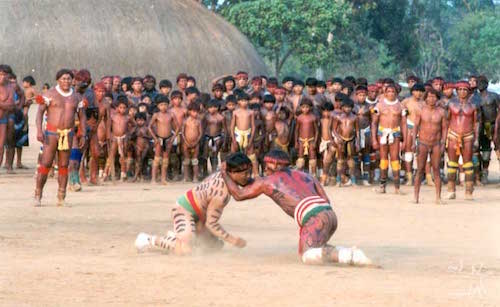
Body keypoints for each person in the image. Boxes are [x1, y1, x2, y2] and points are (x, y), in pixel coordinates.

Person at [221, 150, 372, 266]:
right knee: (316, 249)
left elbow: (239, 195)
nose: (265, 170)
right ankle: (346, 253)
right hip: (330, 214)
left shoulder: (267, 181)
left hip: (314, 217)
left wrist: (224, 173)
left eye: (267, 167)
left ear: (275, 166)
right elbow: (325, 199)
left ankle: (351, 255)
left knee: (308, 256)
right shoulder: (307, 175)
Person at [134, 153, 250, 255]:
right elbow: (211, 223)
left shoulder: (223, 172)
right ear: (233, 173)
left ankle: (180, 235)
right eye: (245, 174)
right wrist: (232, 240)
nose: (248, 176)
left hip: (200, 215)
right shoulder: (221, 194)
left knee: (214, 247)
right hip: (184, 209)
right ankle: (149, 239)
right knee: (185, 250)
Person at [34, 69, 86, 206]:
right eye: (63, 79)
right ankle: (38, 195)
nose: (66, 81)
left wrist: (82, 133)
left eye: (69, 79)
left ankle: (61, 197)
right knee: (45, 163)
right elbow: (39, 113)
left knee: (64, 165)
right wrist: (39, 130)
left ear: (72, 80)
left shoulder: (76, 97)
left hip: (67, 134)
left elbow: (82, 117)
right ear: (58, 80)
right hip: (51, 134)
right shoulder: (50, 94)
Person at [412, 89, 447, 204]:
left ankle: (438, 197)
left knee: (436, 169)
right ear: (426, 98)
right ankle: (415, 196)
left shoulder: (441, 112)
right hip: (422, 142)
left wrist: (443, 143)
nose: (431, 99)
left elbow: (444, 129)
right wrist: (413, 142)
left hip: (436, 143)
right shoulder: (420, 111)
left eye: (434, 97)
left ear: (437, 98)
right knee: (420, 169)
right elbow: (416, 127)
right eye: (429, 97)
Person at [446, 81, 478, 200]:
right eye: (460, 89)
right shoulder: (450, 104)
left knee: (468, 164)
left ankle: (469, 191)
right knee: (452, 163)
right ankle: (451, 190)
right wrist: (445, 138)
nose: (462, 92)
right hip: (453, 135)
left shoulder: (473, 106)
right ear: (456, 90)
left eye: (465, 90)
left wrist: (476, 139)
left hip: (468, 136)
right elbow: (446, 121)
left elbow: (476, 123)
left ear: (469, 91)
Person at [371, 85, 407, 194]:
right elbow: (374, 122)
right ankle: (382, 186)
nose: (391, 93)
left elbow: (404, 124)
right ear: (385, 93)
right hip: (382, 134)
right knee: (383, 160)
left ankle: (397, 187)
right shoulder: (379, 106)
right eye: (389, 91)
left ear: (396, 93)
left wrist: (405, 140)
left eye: (393, 91)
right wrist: (374, 139)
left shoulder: (401, 106)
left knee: (395, 159)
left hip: (395, 134)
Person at [149, 95, 178, 184]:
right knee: (157, 159)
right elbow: (149, 127)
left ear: (168, 105)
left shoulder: (171, 114)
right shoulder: (156, 115)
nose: (163, 107)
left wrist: (173, 138)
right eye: (161, 105)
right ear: (158, 106)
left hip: (168, 139)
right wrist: (155, 138)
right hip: (159, 139)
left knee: (165, 159)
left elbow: (178, 127)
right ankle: (153, 179)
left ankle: (163, 179)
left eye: (165, 104)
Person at [476, 76, 499, 184]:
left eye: (482, 82)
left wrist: (497, 126)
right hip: (479, 126)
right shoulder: (475, 98)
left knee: (492, 149)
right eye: (478, 82)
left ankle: (485, 172)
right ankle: (478, 172)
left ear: (486, 84)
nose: (480, 84)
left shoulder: (494, 96)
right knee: (477, 150)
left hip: (492, 124)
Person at [401, 83, 425, 185]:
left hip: (421, 129)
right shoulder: (406, 102)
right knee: (408, 151)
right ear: (412, 91)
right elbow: (402, 117)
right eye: (416, 91)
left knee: (421, 153)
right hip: (409, 127)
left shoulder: (424, 103)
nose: (418, 93)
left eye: (420, 91)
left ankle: (420, 176)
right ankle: (409, 176)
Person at [106, 95, 134, 182]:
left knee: (122, 156)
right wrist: (109, 135)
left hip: (123, 138)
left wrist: (129, 134)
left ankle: (123, 174)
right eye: (120, 107)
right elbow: (108, 127)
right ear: (117, 107)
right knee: (111, 155)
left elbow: (134, 125)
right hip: (114, 138)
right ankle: (106, 174)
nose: (122, 109)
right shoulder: (113, 116)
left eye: (124, 108)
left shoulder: (128, 117)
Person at [332, 98, 359, 186]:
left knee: (351, 161)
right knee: (340, 160)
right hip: (341, 141)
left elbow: (357, 131)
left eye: (349, 107)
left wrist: (358, 142)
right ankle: (338, 180)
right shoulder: (338, 117)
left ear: (352, 108)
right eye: (345, 107)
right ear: (342, 107)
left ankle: (353, 180)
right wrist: (338, 138)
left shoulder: (355, 117)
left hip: (351, 140)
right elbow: (334, 129)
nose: (347, 109)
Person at [230, 92, 257, 175]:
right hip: (238, 134)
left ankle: (255, 174)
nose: (244, 102)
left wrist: (251, 139)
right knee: (234, 154)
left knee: (252, 156)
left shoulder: (251, 112)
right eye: (242, 101)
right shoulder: (235, 112)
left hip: (247, 134)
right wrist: (233, 139)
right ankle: (232, 173)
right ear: (238, 102)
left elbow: (253, 126)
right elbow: (232, 127)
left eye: (246, 101)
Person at [0, 65, 17, 173]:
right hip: (5, 115)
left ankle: (8, 164)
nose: (2, 77)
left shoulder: (11, 87)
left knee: (1, 146)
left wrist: (18, 106)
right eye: (0, 74)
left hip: (3, 119)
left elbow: (11, 105)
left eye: (4, 75)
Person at [295, 98, 318, 176]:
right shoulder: (299, 118)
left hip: (311, 140)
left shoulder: (313, 117)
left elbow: (317, 131)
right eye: (303, 107)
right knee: (301, 158)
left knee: (312, 158)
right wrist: (296, 142)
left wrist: (315, 142)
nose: (305, 109)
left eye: (307, 107)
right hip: (301, 140)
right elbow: (296, 130)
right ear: (300, 108)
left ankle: (314, 175)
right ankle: (300, 175)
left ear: (310, 108)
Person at [182, 101, 202, 182]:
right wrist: (186, 141)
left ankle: (195, 178)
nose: (195, 113)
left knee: (195, 161)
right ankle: (186, 177)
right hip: (186, 143)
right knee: (186, 160)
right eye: (194, 111)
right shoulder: (186, 121)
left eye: (197, 112)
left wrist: (196, 141)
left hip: (196, 144)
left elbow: (200, 133)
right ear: (189, 111)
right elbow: (182, 133)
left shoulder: (198, 121)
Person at [204, 99, 225, 173]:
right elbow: (203, 127)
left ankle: (214, 170)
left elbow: (224, 128)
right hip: (207, 137)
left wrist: (223, 137)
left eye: (214, 107)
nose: (212, 109)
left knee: (214, 154)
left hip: (217, 137)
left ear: (217, 107)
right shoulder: (206, 117)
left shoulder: (221, 117)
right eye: (210, 107)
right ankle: (205, 171)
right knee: (205, 154)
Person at [319, 102, 335, 185]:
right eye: (324, 111)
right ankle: (327, 177)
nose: (326, 113)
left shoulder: (334, 120)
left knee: (328, 160)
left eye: (329, 111)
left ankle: (324, 178)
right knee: (325, 160)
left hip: (332, 141)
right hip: (323, 141)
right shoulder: (321, 120)